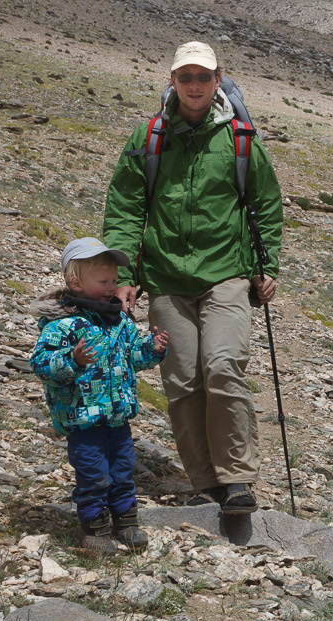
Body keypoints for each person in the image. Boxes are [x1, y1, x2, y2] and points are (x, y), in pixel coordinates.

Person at [102, 41, 283, 515]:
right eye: (186, 78)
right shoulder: (149, 137)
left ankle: (238, 479)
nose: (195, 86)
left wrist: (268, 267)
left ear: (217, 79)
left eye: (203, 77)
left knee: (222, 367)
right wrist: (123, 272)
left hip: (227, 273)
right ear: (173, 80)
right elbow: (125, 207)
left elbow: (266, 205)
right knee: (183, 382)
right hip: (164, 276)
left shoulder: (241, 139)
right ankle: (205, 482)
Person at [30, 237, 168, 551]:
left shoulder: (118, 320)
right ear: (75, 282)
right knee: (93, 473)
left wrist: (153, 348)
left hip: (117, 416)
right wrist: (73, 361)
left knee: (122, 468)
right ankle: (93, 528)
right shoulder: (62, 326)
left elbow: (135, 356)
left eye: (114, 280)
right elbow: (41, 364)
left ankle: (127, 521)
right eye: (103, 281)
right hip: (82, 419)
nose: (111, 287)